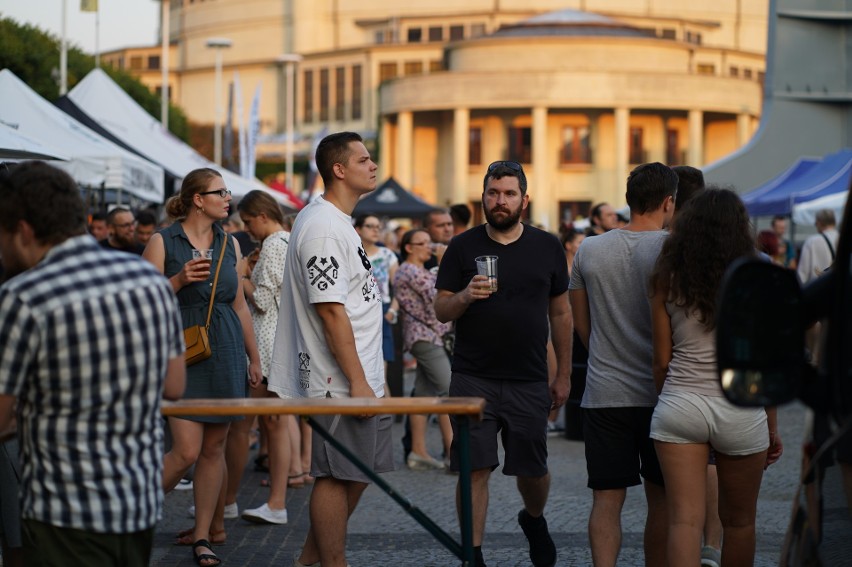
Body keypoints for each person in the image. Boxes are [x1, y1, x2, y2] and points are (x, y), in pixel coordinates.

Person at [0, 161, 186, 565]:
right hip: (138, 501)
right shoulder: (151, 283)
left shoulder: (24, 295)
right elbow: (174, 386)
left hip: (63, 510)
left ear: (24, 230)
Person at [435, 160, 572, 567]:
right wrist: (464, 296)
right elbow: (442, 309)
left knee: (533, 470)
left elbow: (561, 314)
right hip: (472, 376)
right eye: (493, 193)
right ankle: (471, 554)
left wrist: (562, 374)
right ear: (482, 197)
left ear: (524, 200)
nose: (500, 201)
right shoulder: (462, 246)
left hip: (529, 377)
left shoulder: (547, 246)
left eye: (509, 193)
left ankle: (533, 520)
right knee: (473, 469)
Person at [267, 131, 394, 567]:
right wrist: (359, 383)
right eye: (364, 159)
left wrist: (373, 380)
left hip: (360, 377)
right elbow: (331, 312)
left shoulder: (338, 221)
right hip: (336, 382)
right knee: (335, 477)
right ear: (339, 169)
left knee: (358, 473)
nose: (373, 165)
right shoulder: (322, 226)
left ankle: (308, 561)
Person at [649, 188, 783, 566]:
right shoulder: (759, 274)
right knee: (739, 524)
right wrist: (771, 425)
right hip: (740, 406)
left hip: (681, 402)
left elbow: (660, 360)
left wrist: (671, 399)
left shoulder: (667, 274)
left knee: (684, 523)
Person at [143, 167, 262, 567]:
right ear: (198, 198)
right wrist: (177, 281)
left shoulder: (229, 243)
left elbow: (239, 305)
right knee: (185, 451)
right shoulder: (163, 240)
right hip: (181, 349)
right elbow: (141, 299)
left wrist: (255, 356)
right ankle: (122, 517)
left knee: (214, 449)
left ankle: (202, 536)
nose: (228, 198)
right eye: (220, 192)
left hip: (226, 348)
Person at [569, 162, 677, 567]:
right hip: (663, 393)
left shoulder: (590, 249)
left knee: (606, 499)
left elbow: (583, 328)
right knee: (662, 500)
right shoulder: (672, 249)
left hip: (604, 393)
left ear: (628, 200)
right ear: (668, 202)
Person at [234, 190, 293, 524]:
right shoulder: (288, 241)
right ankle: (277, 502)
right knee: (276, 425)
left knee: (242, 426)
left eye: (247, 221)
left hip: (266, 344)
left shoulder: (272, 246)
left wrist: (241, 276)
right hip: (281, 345)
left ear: (261, 215)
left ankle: (225, 500)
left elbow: (262, 301)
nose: (247, 229)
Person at [394, 228, 454, 470]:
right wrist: (444, 263)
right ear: (409, 248)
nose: (430, 246)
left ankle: (417, 452)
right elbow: (436, 294)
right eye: (424, 242)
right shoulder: (408, 271)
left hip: (430, 336)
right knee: (450, 394)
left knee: (424, 395)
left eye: (431, 242)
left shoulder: (420, 271)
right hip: (425, 337)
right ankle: (454, 454)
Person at [354, 213, 400, 391]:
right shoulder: (353, 254)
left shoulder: (387, 254)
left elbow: (399, 289)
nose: (375, 230)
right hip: (358, 312)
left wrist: (392, 311)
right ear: (358, 229)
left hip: (382, 310)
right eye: (370, 226)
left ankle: (385, 417)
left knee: (380, 375)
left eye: (378, 227)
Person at [797, 208, 839, 285]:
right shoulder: (843, 239)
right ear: (834, 222)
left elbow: (802, 275)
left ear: (819, 223)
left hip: (817, 292)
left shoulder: (811, 242)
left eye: (816, 223)